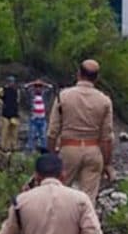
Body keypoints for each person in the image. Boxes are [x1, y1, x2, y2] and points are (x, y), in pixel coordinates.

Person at [48, 60, 114, 204]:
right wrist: (108, 164)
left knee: (60, 193)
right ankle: (85, 225)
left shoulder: (63, 96)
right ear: (96, 78)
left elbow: (52, 132)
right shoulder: (104, 101)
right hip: (93, 150)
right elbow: (107, 137)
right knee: (88, 200)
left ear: (78, 74)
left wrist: (51, 155)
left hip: (68, 149)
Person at [0, 76, 21, 152]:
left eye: (13, 82)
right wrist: (1, 102)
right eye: (10, 82)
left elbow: (17, 101)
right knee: (5, 131)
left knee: (14, 131)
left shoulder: (17, 91)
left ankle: (13, 146)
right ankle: (4, 147)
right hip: (6, 113)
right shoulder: (3, 89)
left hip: (14, 113)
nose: (11, 83)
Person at [24, 81, 52, 153]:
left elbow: (50, 87)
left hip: (42, 119)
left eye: (40, 87)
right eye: (36, 87)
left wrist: (43, 83)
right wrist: (33, 83)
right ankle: (31, 151)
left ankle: (44, 151)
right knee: (32, 135)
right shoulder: (31, 95)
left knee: (43, 136)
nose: (38, 88)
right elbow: (25, 87)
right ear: (34, 88)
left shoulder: (44, 95)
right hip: (34, 119)